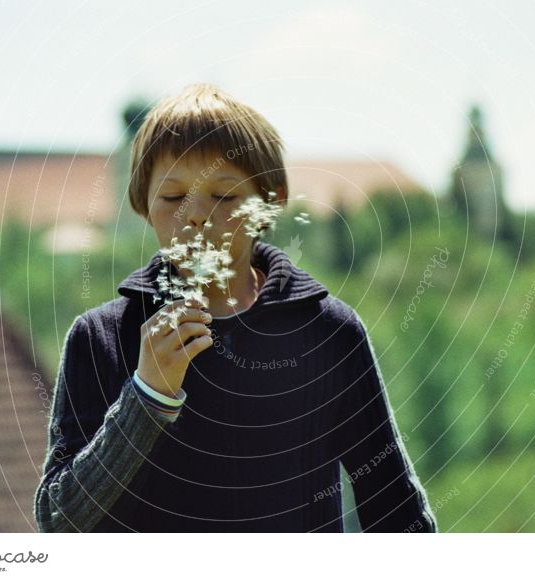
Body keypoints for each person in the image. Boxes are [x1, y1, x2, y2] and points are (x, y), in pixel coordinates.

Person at [33, 83, 438, 533]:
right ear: (141, 204)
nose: (196, 215)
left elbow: (395, 508)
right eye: (171, 197)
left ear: (273, 201)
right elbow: (59, 522)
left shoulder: (328, 332)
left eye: (224, 196)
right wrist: (147, 396)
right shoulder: (100, 339)